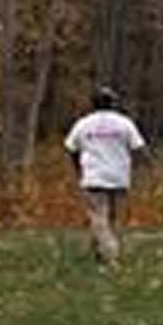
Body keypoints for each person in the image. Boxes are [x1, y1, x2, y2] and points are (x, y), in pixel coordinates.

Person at [64, 88, 148, 265]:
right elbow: (139, 148)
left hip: (94, 175)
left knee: (98, 216)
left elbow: (71, 148)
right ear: (113, 103)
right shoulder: (124, 123)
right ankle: (100, 254)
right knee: (112, 218)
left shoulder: (84, 124)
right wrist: (143, 168)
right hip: (119, 176)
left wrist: (78, 168)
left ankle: (109, 254)